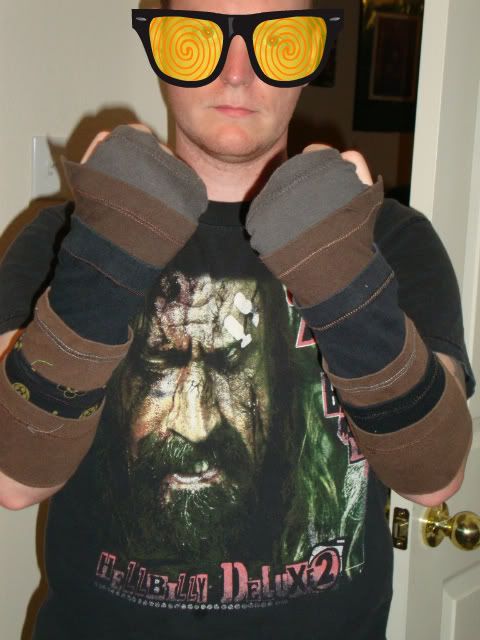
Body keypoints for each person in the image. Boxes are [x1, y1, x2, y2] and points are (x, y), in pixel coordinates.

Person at [0, 0, 475, 638]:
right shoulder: (64, 238)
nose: (235, 72)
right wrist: (108, 249)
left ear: (312, 56)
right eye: (198, 38)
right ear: (159, 48)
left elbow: (435, 476)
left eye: (278, 40)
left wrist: (340, 269)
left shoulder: (392, 238)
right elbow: (12, 479)